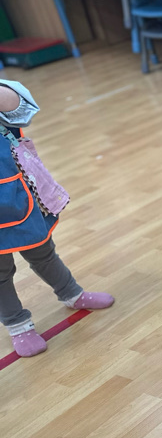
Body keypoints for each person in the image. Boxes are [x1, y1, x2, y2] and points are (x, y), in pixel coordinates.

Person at [0, 80, 114, 358]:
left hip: (16, 197)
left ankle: (71, 294)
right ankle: (18, 325)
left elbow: (19, 108)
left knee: (43, 251)